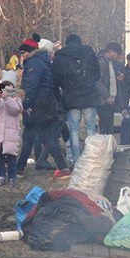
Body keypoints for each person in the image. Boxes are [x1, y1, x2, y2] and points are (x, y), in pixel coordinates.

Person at [18, 38, 70, 177]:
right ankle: (63, 168)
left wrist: (26, 103)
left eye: (23, 52)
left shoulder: (34, 63)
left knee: (29, 135)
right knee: (47, 137)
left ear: (29, 52)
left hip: (38, 104)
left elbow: (32, 85)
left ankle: (19, 169)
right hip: (46, 104)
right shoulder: (43, 61)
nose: (21, 55)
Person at [51, 33, 100, 164]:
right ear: (80, 42)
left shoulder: (60, 56)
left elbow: (55, 79)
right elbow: (97, 74)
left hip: (70, 97)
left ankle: (77, 161)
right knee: (91, 129)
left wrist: (59, 94)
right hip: (89, 96)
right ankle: (92, 159)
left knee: (74, 130)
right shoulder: (89, 53)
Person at [0, 79, 23, 187]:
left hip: (10, 134)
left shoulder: (16, 99)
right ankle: (1, 175)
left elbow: (15, 110)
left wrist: (7, 98)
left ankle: (12, 176)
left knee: (11, 156)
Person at [97, 41, 126, 143]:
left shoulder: (111, 63)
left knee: (109, 128)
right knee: (105, 128)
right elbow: (98, 82)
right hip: (103, 100)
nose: (116, 57)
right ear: (111, 52)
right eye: (116, 55)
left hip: (111, 100)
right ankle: (105, 149)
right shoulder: (101, 63)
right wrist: (107, 96)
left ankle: (108, 148)